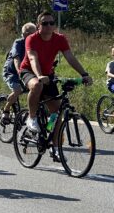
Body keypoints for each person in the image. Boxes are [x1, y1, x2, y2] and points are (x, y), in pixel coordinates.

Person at [20, 11, 92, 161]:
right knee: (37, 86)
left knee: (57, 114)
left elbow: (70, 57)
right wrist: (39, 76)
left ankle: (56, 149)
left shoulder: (60, 39)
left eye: (51, 23)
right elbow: (33, 58)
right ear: (38, 25)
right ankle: (32, 117)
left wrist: (84, 74)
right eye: (45, 23)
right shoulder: (31, 39)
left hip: (48, 74)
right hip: (29, 71)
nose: (48, 26)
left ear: (55, 25)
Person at [0, 22, 37, 124]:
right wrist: (20, 73)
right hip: (11, 72)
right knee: (17, 90)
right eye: (32, 33)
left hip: (26, 72)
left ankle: (30, 114)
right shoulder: (18, 43)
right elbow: (16, 60)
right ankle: (6, 109)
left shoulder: (35, 44)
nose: (35, 35)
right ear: (25, 34)